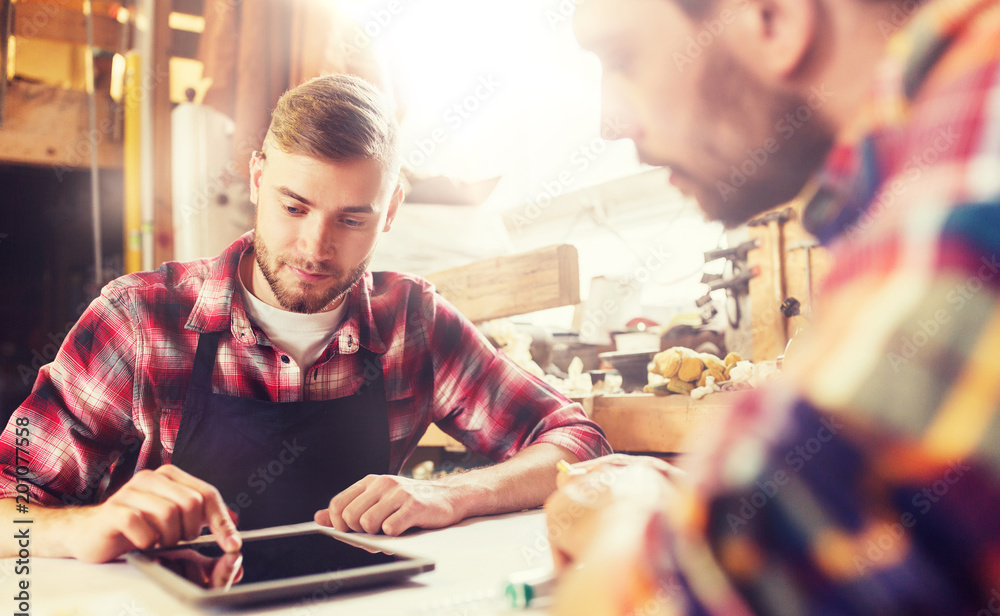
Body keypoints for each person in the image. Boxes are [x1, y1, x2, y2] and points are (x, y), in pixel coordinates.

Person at [0, 74, 610, 564]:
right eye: (294, 207)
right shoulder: (139, 318)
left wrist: (451, 493)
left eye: (352, 219)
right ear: (258, 178)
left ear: (391, 210)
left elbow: (577, 441)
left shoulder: (413, 324)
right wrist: (82, 528)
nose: (316, 248)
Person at [546, 0, 1000, 616]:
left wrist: (625, 515)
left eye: (622, 59)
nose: (609, 122)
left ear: (773, 16)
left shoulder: (974, 162)